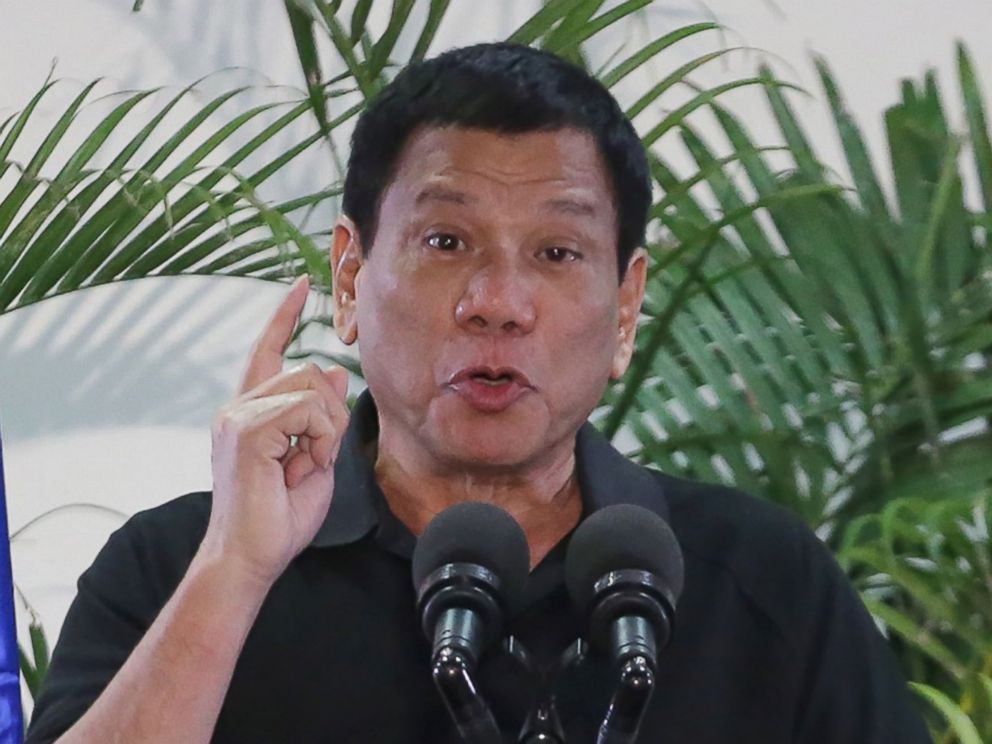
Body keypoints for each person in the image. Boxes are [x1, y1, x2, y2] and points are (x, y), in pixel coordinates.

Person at [26, 43, 932, 743]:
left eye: (557, 253)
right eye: (447, 242)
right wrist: (235, 573)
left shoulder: (760, 579)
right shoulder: (177, 566)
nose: (497, 304)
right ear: (350, 277)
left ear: (625, 308)